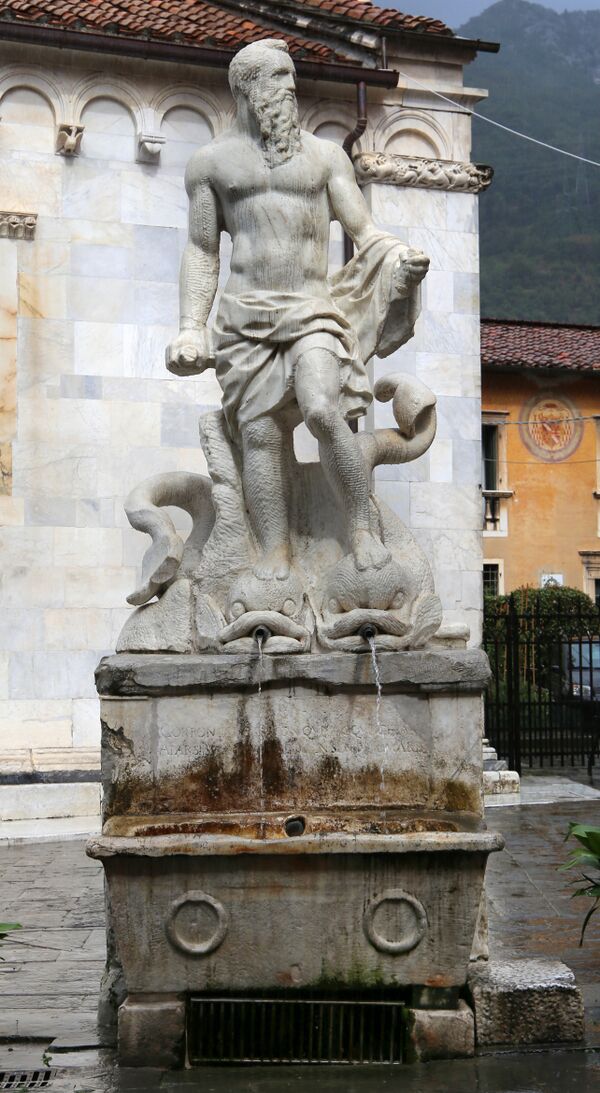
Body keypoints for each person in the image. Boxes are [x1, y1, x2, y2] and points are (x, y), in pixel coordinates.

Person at [166, 39, 429, 580]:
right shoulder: (210, 163)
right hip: (244, 318)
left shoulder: (326, 157)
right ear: (246, 88)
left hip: (312, 310)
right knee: (259, 434)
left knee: (321, 409)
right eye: (277, 77)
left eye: (291, 76)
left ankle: (361, 528)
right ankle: (274, 550)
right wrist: (191, 327)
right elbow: (202, 249)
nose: (290, 87)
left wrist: (398, 259)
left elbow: (364, 230)